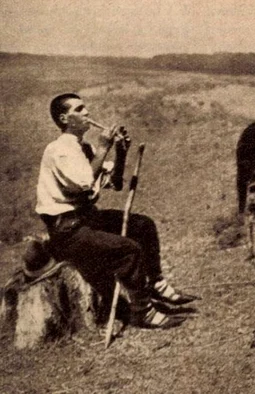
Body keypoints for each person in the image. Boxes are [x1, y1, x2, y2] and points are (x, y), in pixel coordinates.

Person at [35, 93, 197, 329]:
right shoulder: (58, 149)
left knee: (143, 225)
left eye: (85, 108)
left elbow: (116, 183)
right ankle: (143, 312)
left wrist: (121, 152)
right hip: (68, 230)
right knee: (128, 250)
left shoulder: (85, 148)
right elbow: (83, 183)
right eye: (79, 110)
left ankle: (157, 285)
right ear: (64, 118)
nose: (87, 113)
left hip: (87, 220)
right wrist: (103, 147)